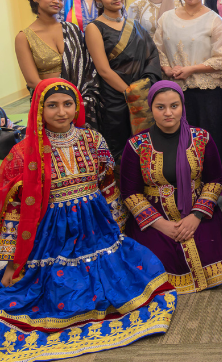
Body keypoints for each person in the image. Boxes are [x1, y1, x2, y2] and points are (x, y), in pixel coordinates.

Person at [0, 79, 176, 358]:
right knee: (59, 290)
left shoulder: (93, 140)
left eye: (68, 104)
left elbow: (108, 186)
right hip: (52, 236)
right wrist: (12, 261)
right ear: (38, 109)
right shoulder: (24, 152)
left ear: (77, 106)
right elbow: (14, 210)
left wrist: (119, 228)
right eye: (52, 106)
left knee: (130, 273)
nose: (61, 112)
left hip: (97, 229)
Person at [120, 81, 222, 294]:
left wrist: (195, 216)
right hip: (155, 217)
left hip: (198, 212)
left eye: (174, 106)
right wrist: (161, 224)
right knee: (158, 258)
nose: (168, 113)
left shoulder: (201, 138)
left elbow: (215, 180)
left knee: (206, 248)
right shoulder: (137, 145)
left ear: (183, 106)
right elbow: (130, 192)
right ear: (151, 109)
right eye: (160, 107)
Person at [154, 0, 222, 161]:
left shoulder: (214, 20)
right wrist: (166, 68)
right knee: (179, 142)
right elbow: (158, 49)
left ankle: (212, 188)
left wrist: (191, 69)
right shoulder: (166, 19)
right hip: (174, 94)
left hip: (207, 95)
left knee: (207, 142)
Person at [85, 0, 162, 166]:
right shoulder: (95, 28)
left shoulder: (134, 25)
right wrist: (130, 93)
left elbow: (152, 55)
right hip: (115, 97)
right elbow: (103, 70)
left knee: (145, 143)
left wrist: (144, 86)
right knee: (119, 144)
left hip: (141, 93)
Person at [14, 0, 100, 127]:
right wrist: (63, 102)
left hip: (82, 101)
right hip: (50, 105)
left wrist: (77, 100)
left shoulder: (72, 29)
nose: (56, 1)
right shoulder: (24, 37)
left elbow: (88, 68)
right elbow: (32, 81)